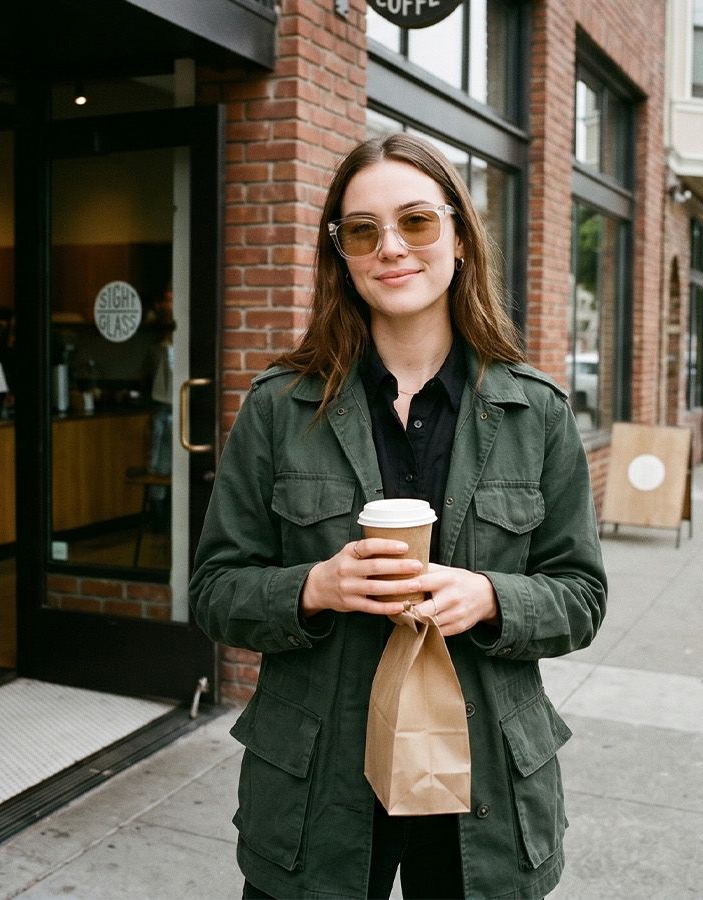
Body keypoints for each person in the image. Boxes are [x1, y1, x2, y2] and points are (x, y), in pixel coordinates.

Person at [190, 133, 606, 899]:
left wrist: (489, 597)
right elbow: (214, 590)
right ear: (341, 253)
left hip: (484, 788)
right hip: (318, 784)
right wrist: (315, 586)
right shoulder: (280, 409)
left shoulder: (534, 411)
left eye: (416, 221)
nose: (391, 248)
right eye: (362, 230)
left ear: (457, 234)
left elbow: (581, 596)